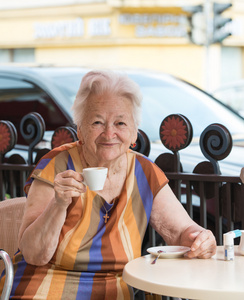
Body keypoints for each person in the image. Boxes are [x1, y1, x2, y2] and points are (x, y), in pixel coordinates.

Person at [0, 70, 216, 299]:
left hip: (112, 290)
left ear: (134, 133)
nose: (109, 133)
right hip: (43, 283)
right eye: (97, 122)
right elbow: (34, 255)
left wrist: (201, 240)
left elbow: (182, 232)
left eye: (120, 122)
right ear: (80, 130)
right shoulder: (57, 165)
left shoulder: (145, 172)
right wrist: (58, 204)